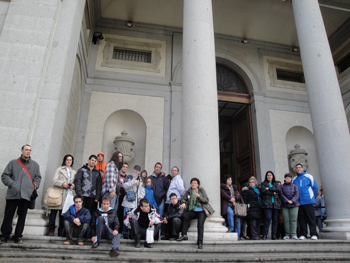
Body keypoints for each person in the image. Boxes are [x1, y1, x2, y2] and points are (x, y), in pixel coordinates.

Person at [0, 144, 41, 244]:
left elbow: (38, 177)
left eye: (30, 150)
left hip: (26, 195)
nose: (28, 152)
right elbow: (5, 176)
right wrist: (13, 184)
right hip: (13, 194)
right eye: (26, 150)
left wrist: (33, 186)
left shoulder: (35, 165)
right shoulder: (13, 163)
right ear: (22, 150)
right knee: (8, 215)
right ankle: (4, 235)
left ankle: (18, 236)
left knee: (22, 217)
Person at [177, 178, 214, 249]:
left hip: (201, 211)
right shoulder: (188, 191)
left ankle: (200, 242)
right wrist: (184, 203)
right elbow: (183, 199)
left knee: (200, 225)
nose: (193, 184)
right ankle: (184, 235)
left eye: (195, 183)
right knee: (185, 216)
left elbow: (206, 200)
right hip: (193, 210)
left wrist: (200, 197)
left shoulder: (201, 190)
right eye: (192, 183)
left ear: (198, 185)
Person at [48, 154, 76, 236]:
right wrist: (63, 183)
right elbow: (54, 180)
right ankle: (51, 230)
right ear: (64, 161)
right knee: (54, 212)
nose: (68, 161)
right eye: (67, 159)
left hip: (68, 194)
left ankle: (61, 231)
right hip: (58, 193)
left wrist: (72, 186)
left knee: (63, 213)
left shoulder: (74, 172)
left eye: (70, 160)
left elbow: (75, 182)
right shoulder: (59, 169)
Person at [292, 163, 319, 240]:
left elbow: (315, 187)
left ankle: (314, 233)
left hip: (308, 201)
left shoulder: (309, 176)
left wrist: (311, 196)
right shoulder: (295, 179)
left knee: (311, 218)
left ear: (302, 168)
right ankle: (304, 234)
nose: (298, 169)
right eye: (297, 168)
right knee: (302, 219)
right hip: (299, 202)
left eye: (300, 167)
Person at [121, 165, 145, 237]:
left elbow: (142, 191)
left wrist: (140, 198)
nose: (136, 171)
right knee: (126, 219)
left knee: (134, 220)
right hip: (128, 203)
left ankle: (132, 234)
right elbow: (125, 186)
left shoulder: (141, 180)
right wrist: (134, 182)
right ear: (133, 169)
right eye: (135, 169)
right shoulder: (128, 177)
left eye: (138, 170)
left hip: (136, 204)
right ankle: (125, 234)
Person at [261, 171, 281, 240]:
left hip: (275, 204)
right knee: (268, 218)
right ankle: (265, 235)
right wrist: (273, 193)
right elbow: (263, 191)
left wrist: (269, 188)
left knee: (275, 220)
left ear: (273, 176)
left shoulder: (275, 183)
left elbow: (278, 190)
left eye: (270, 175)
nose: (269, 176)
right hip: (267, 204)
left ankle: (274, 235)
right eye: (268, 175)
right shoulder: (263, 184)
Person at [280, 173, 300, 240]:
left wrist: (292, 200)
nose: (288, 179)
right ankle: (287, 234)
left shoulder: (294, 186)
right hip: (285, 205)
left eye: (289, 178)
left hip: (294, 205)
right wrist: (287, 200)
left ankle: (294, 234)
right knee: (286, 220)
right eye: (287, 178)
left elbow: (297, 194)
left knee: (293, 220)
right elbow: (281, 194)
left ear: (291, 179)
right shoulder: (282, 186)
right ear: (285, 178)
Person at [117, 162, 128, 234]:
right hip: (118, 195)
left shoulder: (127, 177)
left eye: (126, 167)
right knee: (116, 212)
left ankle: (121, 230)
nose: (125, 168)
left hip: (125, 196)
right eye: (123, 166)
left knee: (122, 214)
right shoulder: (117, 175)